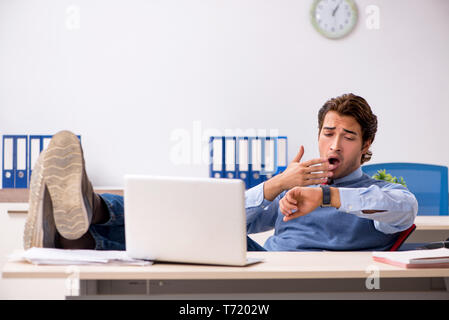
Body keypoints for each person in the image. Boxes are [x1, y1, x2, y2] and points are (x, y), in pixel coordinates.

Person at [24, 93, 417, 251]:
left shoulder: (377, 192)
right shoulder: (295, 181)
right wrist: (278, 184)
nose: (335, 144)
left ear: (365, 147)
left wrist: (328, 196)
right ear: (317, 136)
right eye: (328, 133)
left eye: (348, 137)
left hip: (288, 273)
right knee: (184, 220)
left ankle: (69, 236)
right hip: (263, 261)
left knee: (183, 245)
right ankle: (85, 213)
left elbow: (404, 210)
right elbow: (232, 220)